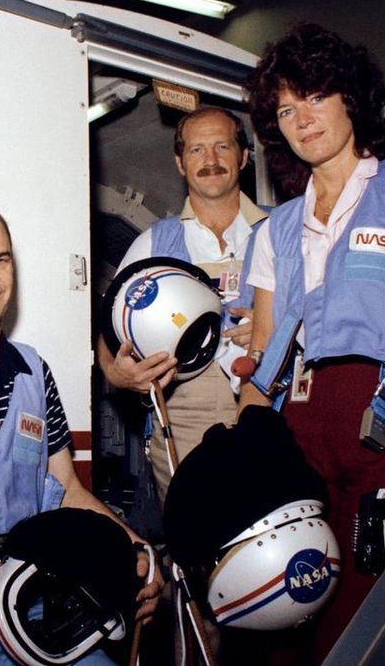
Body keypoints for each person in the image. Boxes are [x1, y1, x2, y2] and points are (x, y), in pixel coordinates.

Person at [239, 23, 385, 661]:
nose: (303, 119)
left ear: (350, 97)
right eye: (286, 109)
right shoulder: (276, 228)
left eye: (315, 97)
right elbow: (267, 346)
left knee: (374, 600)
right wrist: (242, 446)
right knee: (291, 597)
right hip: (299, 424)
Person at [0, 199, 161, 665]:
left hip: (36, 609)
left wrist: (133, 547)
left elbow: (66, 490)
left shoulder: (34, 372)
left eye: (0, 258)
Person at [97, 106, 268, 499]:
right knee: (201, 544)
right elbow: (108, 330)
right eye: (196, 150)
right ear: (179, 162)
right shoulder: (154, 242)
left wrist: (278, 327)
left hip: (277, 402)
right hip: (189, 411)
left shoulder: (284, 229)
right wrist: (118, 373)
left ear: (243, 156)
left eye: (223, 146)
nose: (211, 161)